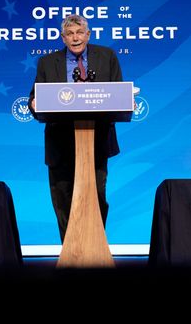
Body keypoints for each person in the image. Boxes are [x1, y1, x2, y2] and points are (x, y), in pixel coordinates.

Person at [28, 14, 123, 242]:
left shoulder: (107, 56)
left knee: (97, 195)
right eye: (70, 34)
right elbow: (34, 97)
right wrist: (33, 103)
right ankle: (70, 249)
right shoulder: (47, 63)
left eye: (80, 32)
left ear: (88, 35)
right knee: (63, 199)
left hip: (96, 141)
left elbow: (118, 92)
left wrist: (127, 100)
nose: (75, 38)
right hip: (59, 143)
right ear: (63, 38)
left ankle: (95, 245)